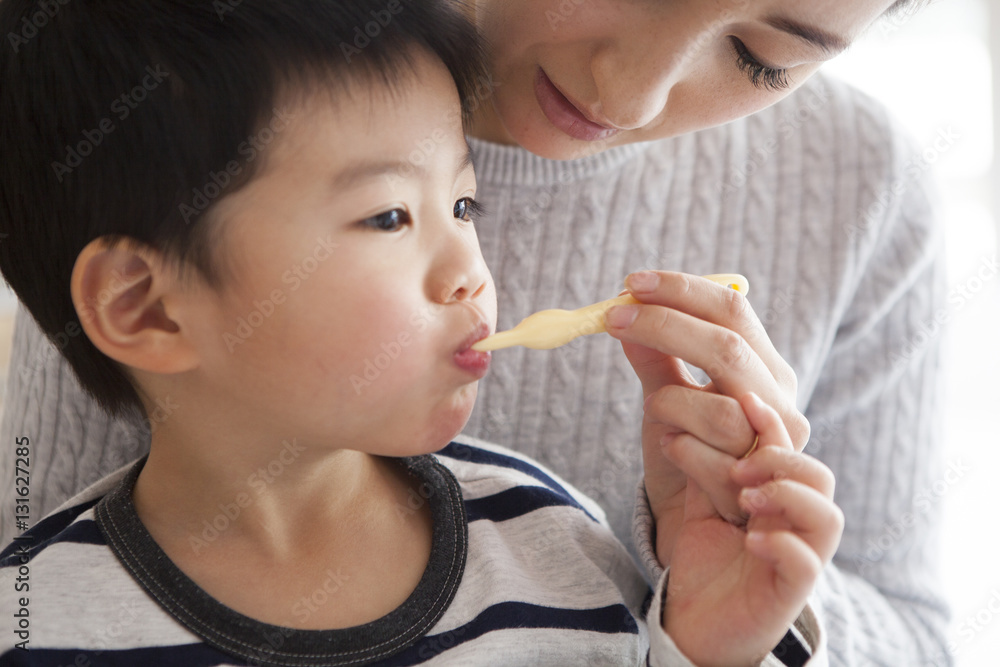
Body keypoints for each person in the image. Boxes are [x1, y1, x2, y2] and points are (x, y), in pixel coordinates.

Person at [0, 0, 950, 665]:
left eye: (761, 59)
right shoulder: (165, 99)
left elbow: (912, 634)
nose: (633, 93)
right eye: (388, 216)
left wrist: (727, 615)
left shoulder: (549, 537)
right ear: (144, 304)